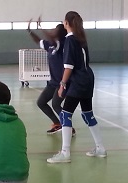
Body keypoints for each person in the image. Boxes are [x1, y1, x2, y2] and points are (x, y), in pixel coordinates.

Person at [47, 11, 107, 163]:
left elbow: (68, 67)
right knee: (88, 114)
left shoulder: (70, 40)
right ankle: (100, 148)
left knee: (65, 114)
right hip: (88, 79)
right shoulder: (81, 38)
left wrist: (62, 84)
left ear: (66, 23)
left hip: (78, 81)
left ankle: (65, 153)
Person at [27, 18, 76, 136]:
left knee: (56, 104)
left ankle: (69, 128)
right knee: (41, 102)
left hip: (64, 82)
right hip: (53, 82)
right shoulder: (51, 45)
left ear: (60, 33)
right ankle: (57, 123)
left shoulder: (62, 44)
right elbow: (39, 41)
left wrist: (41, 27)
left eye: (55, 29)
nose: (53, 30)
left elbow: (50, 37)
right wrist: (30, 31)